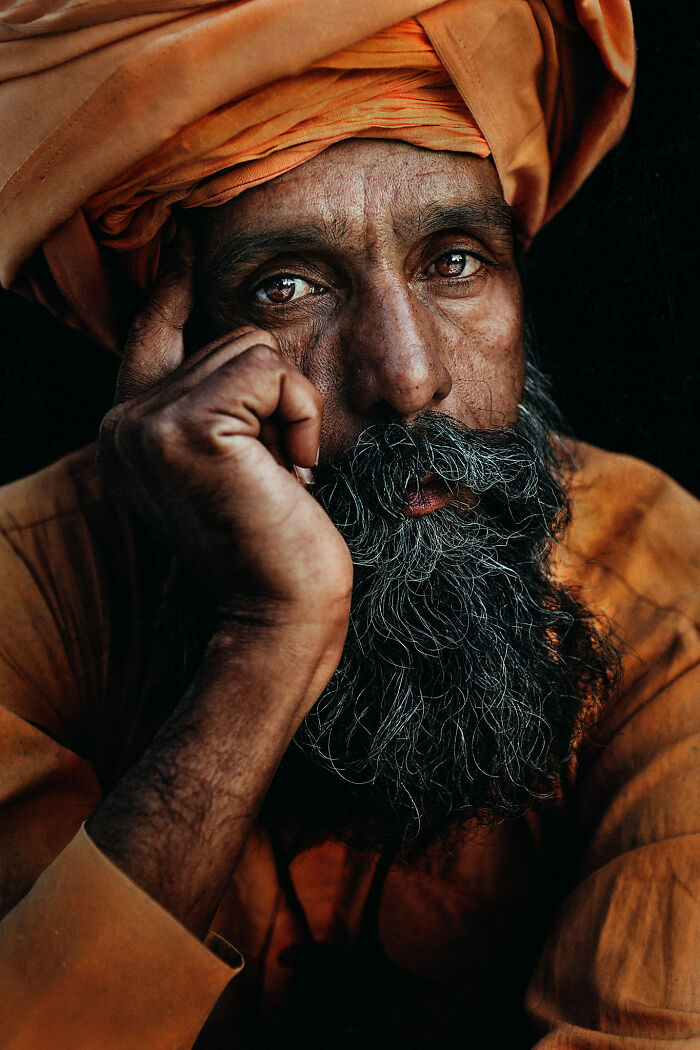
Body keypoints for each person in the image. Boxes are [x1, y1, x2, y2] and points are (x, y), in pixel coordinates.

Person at [0, 2, 697, 1048]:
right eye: (287, 288)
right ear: (169, 345)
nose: (408, 375)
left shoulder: (668, 593)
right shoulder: (26, 594)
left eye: (455, 260)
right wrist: (268, 638)